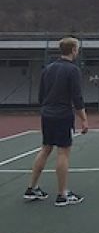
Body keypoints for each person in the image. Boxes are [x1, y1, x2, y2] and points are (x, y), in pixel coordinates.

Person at [23, 37, 88, 207]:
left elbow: (41, 95)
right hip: (62, 115)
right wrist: (84, 119)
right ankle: (62, 194)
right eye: (77, 48)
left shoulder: (48, 69)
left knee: (45, 148)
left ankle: (32, 187)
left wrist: (46, 108)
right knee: (63, 152)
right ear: (73, 50)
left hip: (47, 114)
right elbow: (77, 97)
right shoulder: (73, 70)